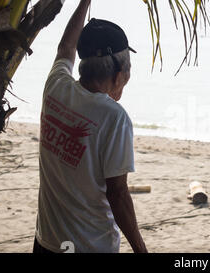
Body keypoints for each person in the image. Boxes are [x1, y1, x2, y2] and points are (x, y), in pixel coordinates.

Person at [34, 0, 148, 253]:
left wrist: (84, 2)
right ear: (119, 74)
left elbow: (65, 47)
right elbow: (117, 194)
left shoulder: (56, 86)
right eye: (128, 67)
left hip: (46, 241)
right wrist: (141, 249)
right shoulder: (114, 117)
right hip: (89, 246)